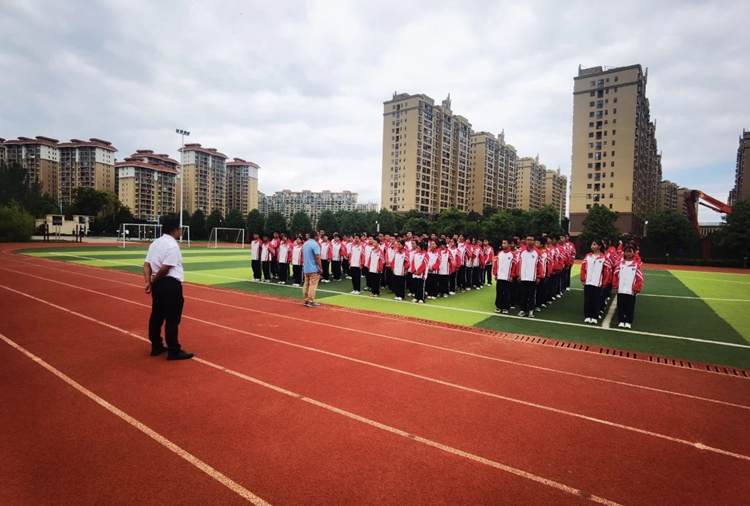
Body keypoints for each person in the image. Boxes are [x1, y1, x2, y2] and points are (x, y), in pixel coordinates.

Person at [143, 217, 193, 361]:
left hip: (158, 285)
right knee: (172, 318)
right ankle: (174, 350)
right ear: (175, 230)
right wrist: (152, 281)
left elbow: (146, 265)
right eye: (179, 229)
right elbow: (165, 269)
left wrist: (148, 282)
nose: (181, 231)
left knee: (157, 315)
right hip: (170, 284)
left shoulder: (155, 243)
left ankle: (156, 345)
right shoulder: (172, 246)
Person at [580, 238, 611, 324]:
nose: (592, 246)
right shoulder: (588, 256)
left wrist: (605, 282)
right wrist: (583, 279)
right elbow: (583, 268)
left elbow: (606, 272)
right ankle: (587, 316)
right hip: (588, 282)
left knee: (596, 300)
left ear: (599, 246)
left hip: (598, 283)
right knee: (587, 300)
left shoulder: (604, 258)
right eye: (592, 244)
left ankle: (594, 316)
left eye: (594, 244)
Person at [613, 244, 643, 329]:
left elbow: (640, 278)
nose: (628, 253)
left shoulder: (636, 265)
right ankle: (621, 321)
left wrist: (637, 288)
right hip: (621, 290)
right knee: (620, 306)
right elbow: (615, 275)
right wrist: (615, 286)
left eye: (630, 251)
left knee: (630, 307)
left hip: (631, 290)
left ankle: (628, 321)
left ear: (634, 253)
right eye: (626, 251)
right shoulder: (620, 264)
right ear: (624, 252)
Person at [515, 235, 543, 318]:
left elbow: (540, 265)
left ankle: (531, 310)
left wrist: (539, 276)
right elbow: (518, 263)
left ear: (534, 241)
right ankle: (523, 310)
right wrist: (518, 274)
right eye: (528, 240)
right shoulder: (522, 252)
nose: (529, 241)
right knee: (523, 294)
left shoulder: (537, 252)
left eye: (531, 240)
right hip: (523, 277)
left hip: (532, 278)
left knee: (531, 295)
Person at [302, 231, 323, 307]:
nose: (319, 237)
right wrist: (320, 267)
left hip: (306, 267)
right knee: (313, 285)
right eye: (318, 235)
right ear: (315, 236)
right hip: (313, 268)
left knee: (306, 284)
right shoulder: (315, 244)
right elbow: (317, 257)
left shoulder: (305, 244)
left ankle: (306, 300)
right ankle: (311, 301)